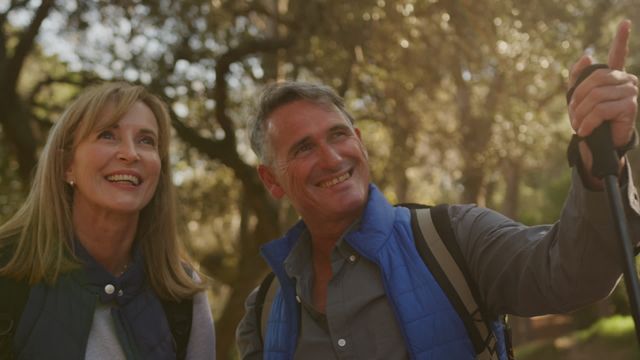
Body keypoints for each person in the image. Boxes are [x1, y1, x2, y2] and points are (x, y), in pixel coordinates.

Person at [236, 20, 640, 360]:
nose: (331, 158)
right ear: (271, 181)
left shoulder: (453, 239)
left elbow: (571, 275)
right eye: (304, 147)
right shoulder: (263, 311)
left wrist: (596, 158)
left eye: (338, 135)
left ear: (359, 142)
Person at [0, 83, 216, 359]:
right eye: (107, 135)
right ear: (67, 165)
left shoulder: (182, 294)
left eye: (146, 140)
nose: (131, 153)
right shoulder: (7, 270)